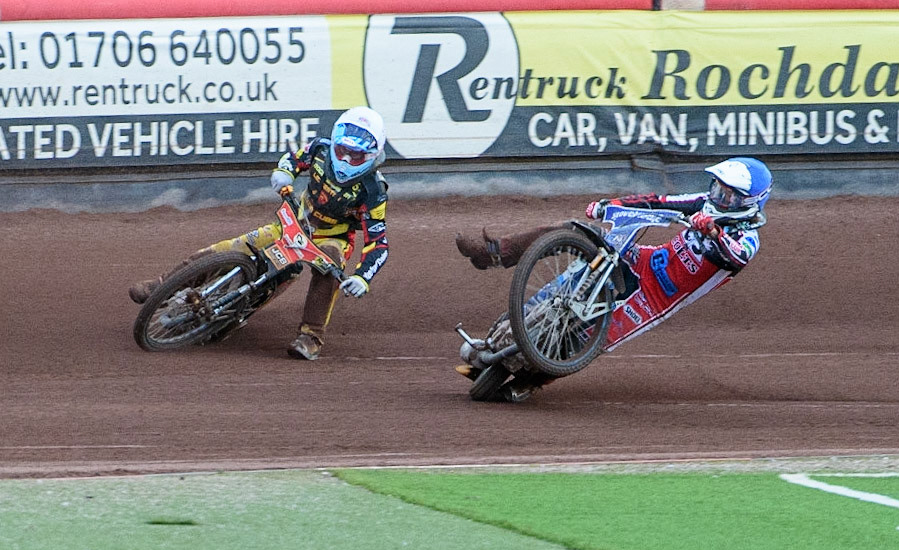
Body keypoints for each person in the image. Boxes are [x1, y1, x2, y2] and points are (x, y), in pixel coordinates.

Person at [129, 106, 390, 360]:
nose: (345, 160)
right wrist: (284, 172)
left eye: (355, 156)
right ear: (334, 141)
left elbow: (378, 244)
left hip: (333, 237)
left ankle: (311, 337)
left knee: (329, 270)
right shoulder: (320, 148)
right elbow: (293, 159)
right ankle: (160, 285)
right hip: (295, 220)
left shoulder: (374, 191)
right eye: (342, 150)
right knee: (230, 247)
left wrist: (362, 277)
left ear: (372, 155)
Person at [455, 156, 771, 359]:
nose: (718, 197)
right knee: (575, 232)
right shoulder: (704, 202)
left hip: (654, 300)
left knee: (580, 341)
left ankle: (529, 374)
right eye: (717, 188)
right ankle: (497, 253)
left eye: (728, 194)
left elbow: (735, 256)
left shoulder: (748, 238)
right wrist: (611, 205)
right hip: (643, 260)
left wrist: (714, 232)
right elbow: (658, 201)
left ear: (749, 202)